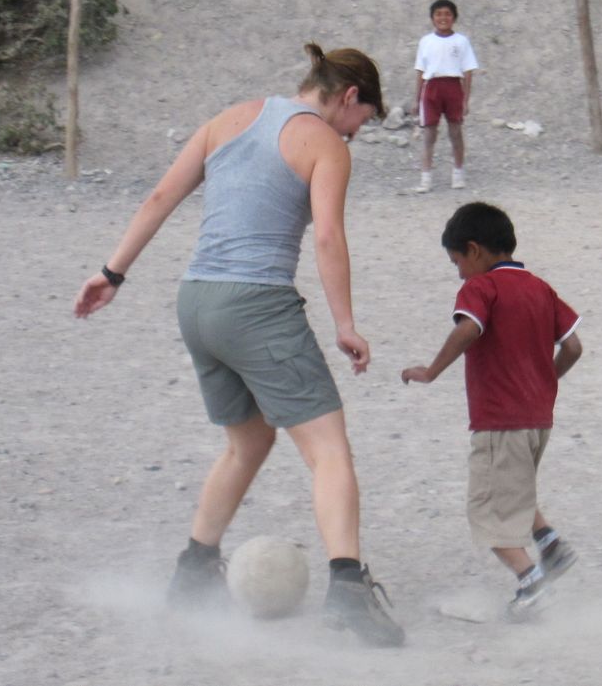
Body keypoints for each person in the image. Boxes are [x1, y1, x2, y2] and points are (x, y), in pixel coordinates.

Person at [72, 43, 406, 646]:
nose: (354, 136)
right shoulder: (324, 145)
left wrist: (112, 272)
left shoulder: (228, 119)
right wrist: (345, 323)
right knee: (329, 450)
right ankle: (348, 588)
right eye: (360, 121)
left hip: (197, 303)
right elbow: (328, 237)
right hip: (257, 305)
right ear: (350, 96)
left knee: (247, 441)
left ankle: (194, 571)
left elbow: (159, 197)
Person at [399, 202, 583, 620]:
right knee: (514, 487)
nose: (459, 274)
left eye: (457, 263)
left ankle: (531, 582)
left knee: (486, 509)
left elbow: (469, 328)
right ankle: (549, 543)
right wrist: (547, 380)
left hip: (501, 420)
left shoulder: (481, 288)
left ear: (474, 250)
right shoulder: (540, 288)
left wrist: (431, 371)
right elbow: (573, 346)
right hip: (539, 419)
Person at [412, 0, 479, 193]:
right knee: (429, 134)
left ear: (454, 18)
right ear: (432, 18)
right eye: (438, 14)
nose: (443, 18)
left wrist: (465, 99)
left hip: (453, 87)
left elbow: (468, 71)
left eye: (447, 14)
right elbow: (420, 71)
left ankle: (458, 173)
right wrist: (417, 99)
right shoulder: (426, 41)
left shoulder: (461, 41)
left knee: (455, 132)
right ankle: (425, 178)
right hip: (431, 88)